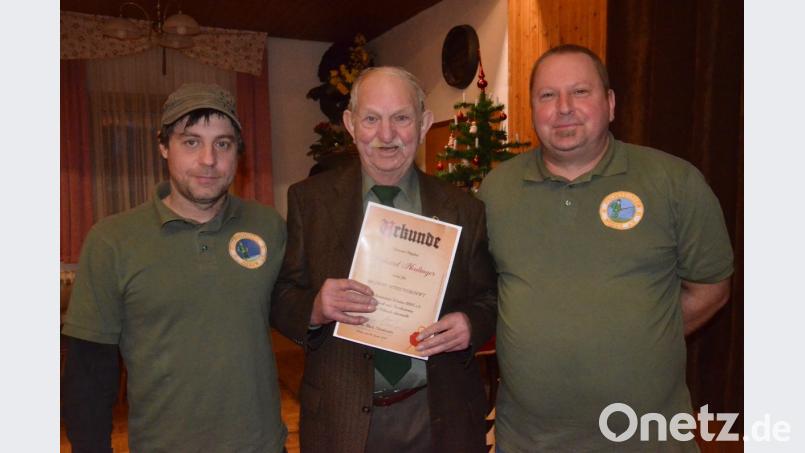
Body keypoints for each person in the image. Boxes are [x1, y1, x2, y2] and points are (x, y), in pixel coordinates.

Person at [478, 44, 734, 451]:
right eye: (547, 95)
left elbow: (711, 288)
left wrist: (646, 334)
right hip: (529, 441)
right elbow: (488, 291)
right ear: (531, 108)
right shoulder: (496, 191)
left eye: (580, 92)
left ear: (611, 103)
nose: (564, 108)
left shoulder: (675, 183)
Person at [271, 66, 497, 453]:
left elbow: (489, 297)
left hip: (439, 414)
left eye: (401, 118)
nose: (386, 135)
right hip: (340, 419)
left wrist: (470, 324)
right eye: (372, 119)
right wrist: (315, 307)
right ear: (351, 124)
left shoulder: (463, 209)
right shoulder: (309, 201)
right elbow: (281, 297)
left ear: (424, 123)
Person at [61, 84, 288, 452]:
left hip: (261, 444)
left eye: (223, 144)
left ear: (238, 153)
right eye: (191, 142)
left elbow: (293, 311)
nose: (209, 160)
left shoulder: (268, 225)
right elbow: (89, 374)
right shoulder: (112, 240)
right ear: (163, 146)